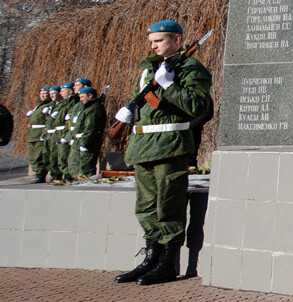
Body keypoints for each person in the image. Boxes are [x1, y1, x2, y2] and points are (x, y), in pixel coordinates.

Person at [113, 19, 213, 285]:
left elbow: (198, 105)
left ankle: (167, 263)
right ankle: (151, 259)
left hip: (170, 144)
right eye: (152, 41)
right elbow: (142, 101)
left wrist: (170, 87)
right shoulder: (148, 70)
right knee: (146, 207)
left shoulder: (189, 68)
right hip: (143, 145)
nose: (153, 45)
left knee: (168, 204)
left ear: (177, 40)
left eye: (159, 40)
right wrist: (127, 111)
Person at [66, 83, 106, 183]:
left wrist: (84, 143)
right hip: (79, 141)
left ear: (90, 95)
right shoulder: (87, 107)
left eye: (83, 97)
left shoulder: (94, 109)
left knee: (85, 169)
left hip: (87, 143)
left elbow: (90, 128)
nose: (81, 99)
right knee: (75, 166)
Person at [26, 88, 50, 182]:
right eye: (41, 94)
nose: (43, 95)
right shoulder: (38, 106)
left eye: (45, 94)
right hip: (32, 135)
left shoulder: (48, 106)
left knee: (38, 156)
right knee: (32, 157)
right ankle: (37, 174)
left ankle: (41, 175)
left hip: (39, 135)